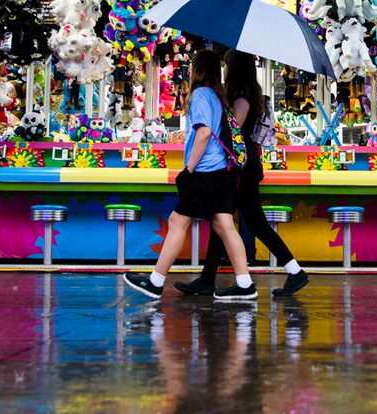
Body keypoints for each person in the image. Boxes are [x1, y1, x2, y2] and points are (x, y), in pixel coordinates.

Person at [124, 49, 256, 300]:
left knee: (177, 221)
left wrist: (189, 170)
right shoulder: (219, 96)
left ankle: (156, 280)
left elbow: (204, 133)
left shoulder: (200, 95)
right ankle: (244, 283)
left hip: (205, 172)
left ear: (197, 69)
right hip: (221, 172)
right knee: (225, 225)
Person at [176, 51, 309, 297]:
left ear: (235, 69)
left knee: (241, 221)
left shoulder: (242, 99)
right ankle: (209, 279)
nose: (224, 70)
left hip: (241, 170)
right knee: (224, 220)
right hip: (244, 167)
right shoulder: (244, 95)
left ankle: (293, 272)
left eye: (228, 66)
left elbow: (232, 133)